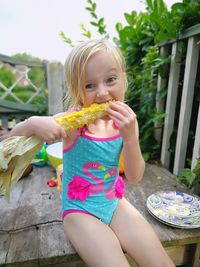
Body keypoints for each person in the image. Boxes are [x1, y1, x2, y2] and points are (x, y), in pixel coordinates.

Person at [9, 39, 175, 267]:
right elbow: (11, 142)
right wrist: (32, 123)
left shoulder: (125, 123)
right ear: (76, 90)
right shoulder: (72, 124)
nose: (103, 92)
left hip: (114, 203)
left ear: (123, 80)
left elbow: (135, 176)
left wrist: (130, 138)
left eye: (110, 80)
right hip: (80, 212)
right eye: (89, 85)